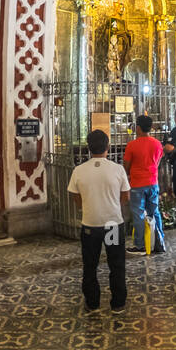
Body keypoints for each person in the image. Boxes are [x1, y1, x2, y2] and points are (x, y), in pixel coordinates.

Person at [67, 129, 130, 312]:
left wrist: (87, 206)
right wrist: (112, 205)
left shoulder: (79, 171)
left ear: (88, 148)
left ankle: (92, 302)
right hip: (112, 224)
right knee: (116, 264)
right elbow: (125, 196)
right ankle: (118, 303)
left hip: (90, 225)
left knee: (90, 265)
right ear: (108, 147)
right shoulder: (117, 169)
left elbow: (75, 195)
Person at [123, 114, 166, 255]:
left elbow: (126, 166)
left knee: (139, 214)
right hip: (153, 182)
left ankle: (140, 245)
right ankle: (159, 242)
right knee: (155, 212)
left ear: (138, 128)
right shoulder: (157, 144)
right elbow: (157, 162)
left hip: (137, 184)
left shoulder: (132, 145)